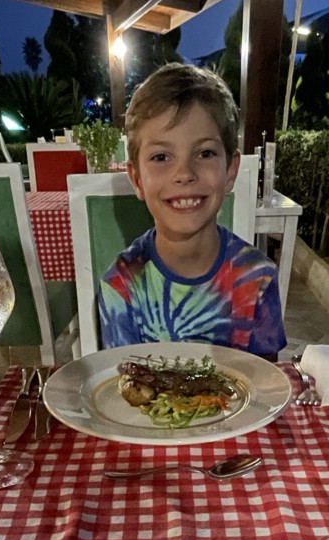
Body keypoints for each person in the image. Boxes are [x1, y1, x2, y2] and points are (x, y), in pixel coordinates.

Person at [97, 64, 286, 359]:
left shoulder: (258, 278)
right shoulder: (120, 286)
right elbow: (124, 381)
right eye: (161, 157)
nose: (184, 173)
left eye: (205, 153)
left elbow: (266, 381)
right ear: (137, 179)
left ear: (230, 170)